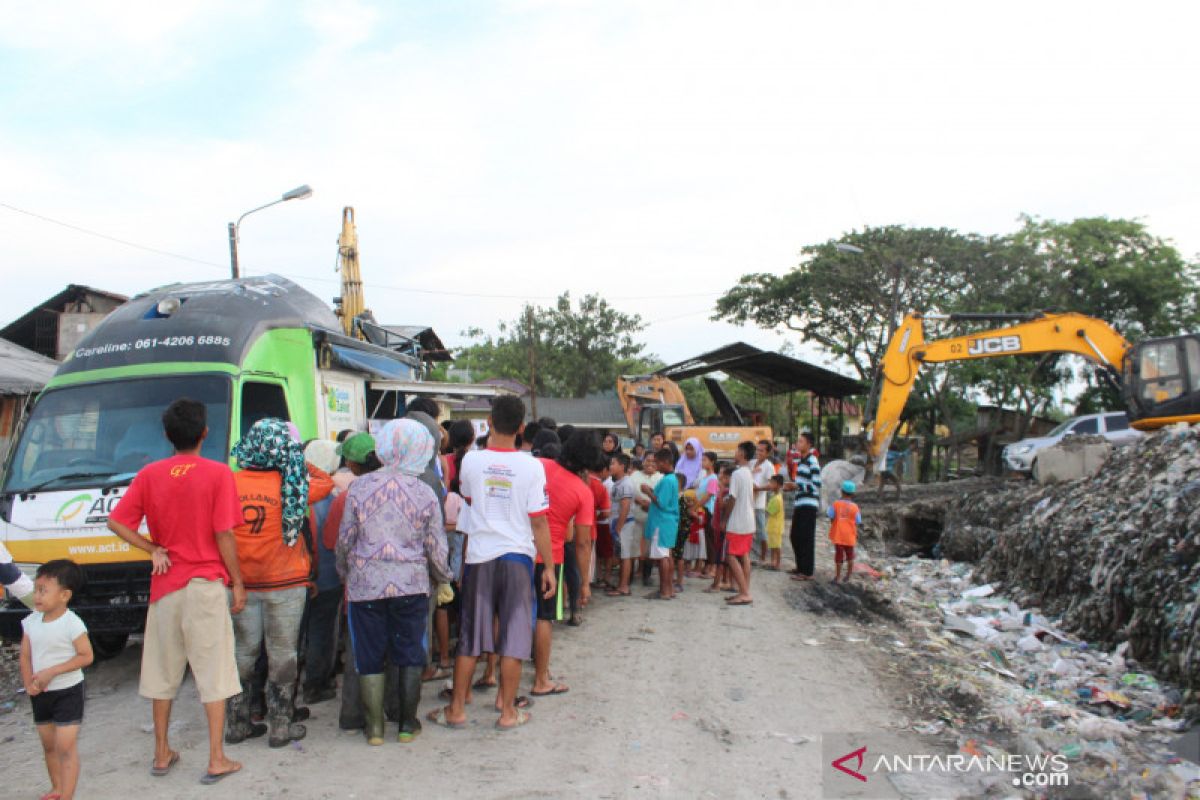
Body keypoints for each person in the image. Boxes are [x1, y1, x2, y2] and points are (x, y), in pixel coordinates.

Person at [107, 397, 245, 785]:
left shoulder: (150, 474)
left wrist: (153, 549)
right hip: (205, 586)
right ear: (204, 433)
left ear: (167, 435)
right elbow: (224, 534)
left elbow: (116, 522)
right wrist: (238, 581)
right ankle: (216, 758)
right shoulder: (218, 474)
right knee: (213, 671)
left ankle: (162, 752)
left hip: (165, 586)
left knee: (162, 672)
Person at [429, 395, 555, 731]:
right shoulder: (532, 466)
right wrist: (550, 568)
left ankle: (456, 709)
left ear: (489, 420)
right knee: (513, 637)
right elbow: (539, 521)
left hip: (480, 556)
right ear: (522, 427)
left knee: (470, 636)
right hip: (517, 557)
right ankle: (507, 711)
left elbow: (471, 502)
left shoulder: (471, 460)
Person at [338, 419, 452, 745]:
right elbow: (435, 546)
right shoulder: (425, 492)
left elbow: (345, 539)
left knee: (368, 652)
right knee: (410, 652)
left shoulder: (358, 488)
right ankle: (406, 723)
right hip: (411, 585)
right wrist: (443, 578)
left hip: (365, 585)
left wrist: (346, 572)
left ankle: (374, 729)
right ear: (422, 449)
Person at [227, 418, 333, 748]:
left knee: (242, 655)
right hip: (287, 583)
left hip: (242, 584)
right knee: (283, 654)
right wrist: (295, 457)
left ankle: (237, 724)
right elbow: (326, 481)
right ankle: (280, 726)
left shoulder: (229, 483)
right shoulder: (294, 484)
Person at [321, 433, 382, 732]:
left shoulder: (346, 498)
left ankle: (353, 715)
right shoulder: (405, 490)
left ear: (351, 464)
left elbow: (333, 542)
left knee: (360, 651)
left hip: (359, 588)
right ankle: (396, 712)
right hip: (400, 585)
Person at [20, 559, 93, 800]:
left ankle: (67, 795)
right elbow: (25, 654)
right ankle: (57, 788)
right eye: (36, 589)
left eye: (44, 590)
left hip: (67, 691)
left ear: (64, 595)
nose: (37, 596)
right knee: (49, 746)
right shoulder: (31, 621)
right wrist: (28, 681)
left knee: (65, 747)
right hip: (41, 693)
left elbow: (86, 656)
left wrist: (53, 671)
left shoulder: (72, 623)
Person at [531, 432, 595, 694]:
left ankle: (495, 674)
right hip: (551, 560)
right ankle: (541, 679)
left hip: (519, 551)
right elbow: (581, 543)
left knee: (510, 614)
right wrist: (583, 584)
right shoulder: (583, 492)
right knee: (544, 619)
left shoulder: (539, 466)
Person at [302, 439, 343, 706]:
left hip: (296, 577)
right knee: (322, 631)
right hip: (326, 577)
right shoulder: (331, 497)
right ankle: (316, 684)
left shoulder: (294, 492)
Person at [641, 448, 680, 600]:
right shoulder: (672, 479)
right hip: (668, 522)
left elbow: (661, 502)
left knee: (663, 557)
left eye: (657, 462)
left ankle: (664, 590)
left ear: (665, 463)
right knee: (667, 556)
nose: (655, 465)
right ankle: (669, 589)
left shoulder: (667, 480)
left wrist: (647, 492)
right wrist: (652, 491)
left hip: (662, 522)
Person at [722, 442, 757, 606]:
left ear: (742, 453)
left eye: (737, 450)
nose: (734, 453)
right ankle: (744, 589)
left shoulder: (737, 474)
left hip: (738, 521)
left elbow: (732, 498)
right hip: (748, 519)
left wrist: (724, 518)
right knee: (744, 555)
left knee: (730, 555)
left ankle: (744, 592)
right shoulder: (748, 473)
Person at [783, 432, 821, 581]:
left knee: (805, 537)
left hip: (809, 504)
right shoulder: (801, 461)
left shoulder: (813, 461)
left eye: (801, 441)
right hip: (800, 502)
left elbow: (817, 484)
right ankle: (800, 566)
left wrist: (797, 486)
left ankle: (807, 571)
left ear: (808, 444)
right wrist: (793, 487)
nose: (798, 444)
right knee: (795, 536)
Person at [629, 452, 661, 587]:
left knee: (648, 549)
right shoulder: (634, 476)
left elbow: (662, 498)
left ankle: (646, 576)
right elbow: (629, 491)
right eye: (648, 460)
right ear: (643, 461)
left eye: (654, 462)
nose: (650, 464)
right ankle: (628, 576)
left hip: (652, 518)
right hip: (635, 517)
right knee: (632, 547)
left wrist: (650, 504)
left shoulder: (661, 478)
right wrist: (637, 500)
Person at [606, 453, 636, 597]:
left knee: (625, 556)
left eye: (613, 463)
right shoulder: (618, 483)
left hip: (625, 524)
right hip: (619, 523)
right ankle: (620, 584)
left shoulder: (626, 484)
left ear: (622, 466)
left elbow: (625, 507)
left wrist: (618, 527)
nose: (610, 466)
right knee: (621, 555)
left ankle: (624, 586)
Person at [828, 481, 862, 583]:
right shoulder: (855, 507)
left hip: (838, 535)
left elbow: (831, 516)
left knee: (839, 556)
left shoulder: (836, 504)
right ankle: (848, 575)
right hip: (850, 536)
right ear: (852, 494)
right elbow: (858, 521)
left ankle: (837, 576)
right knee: (850, 556)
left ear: (842, 492)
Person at [694, 452, 720, 577]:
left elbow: (708, 495)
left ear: (712, 462)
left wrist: (696, 506)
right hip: (703, 510)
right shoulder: (705, 477)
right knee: (706, 539)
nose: (702, 462)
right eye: (702, 460)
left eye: (705, 460)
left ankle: (713, 567)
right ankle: (708, 564)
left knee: (710, 540)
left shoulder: (713, 478)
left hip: (709, 511)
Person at [750, 440, 776, 563]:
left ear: (767, 453)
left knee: (761, 531)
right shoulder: (752, 463)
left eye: (761, 450)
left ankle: (763, 557)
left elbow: (773, 485)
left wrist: (758, 488)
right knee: (750, 530)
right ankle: (752, 555)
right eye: (757, 449)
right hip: (748, 502)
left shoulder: (768, 466)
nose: (758, 452)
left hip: (759, 503)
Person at [765, 475, 785, 570]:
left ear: (779, 485)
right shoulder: (775, 496)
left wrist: (767, 507)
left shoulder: (777, 499)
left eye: (773, 483)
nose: (770, 485)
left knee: (777, 546)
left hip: (776, 526)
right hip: (773, 525)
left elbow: (769, 511)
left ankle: (777, 563)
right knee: (773, 545)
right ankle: (773, 562)